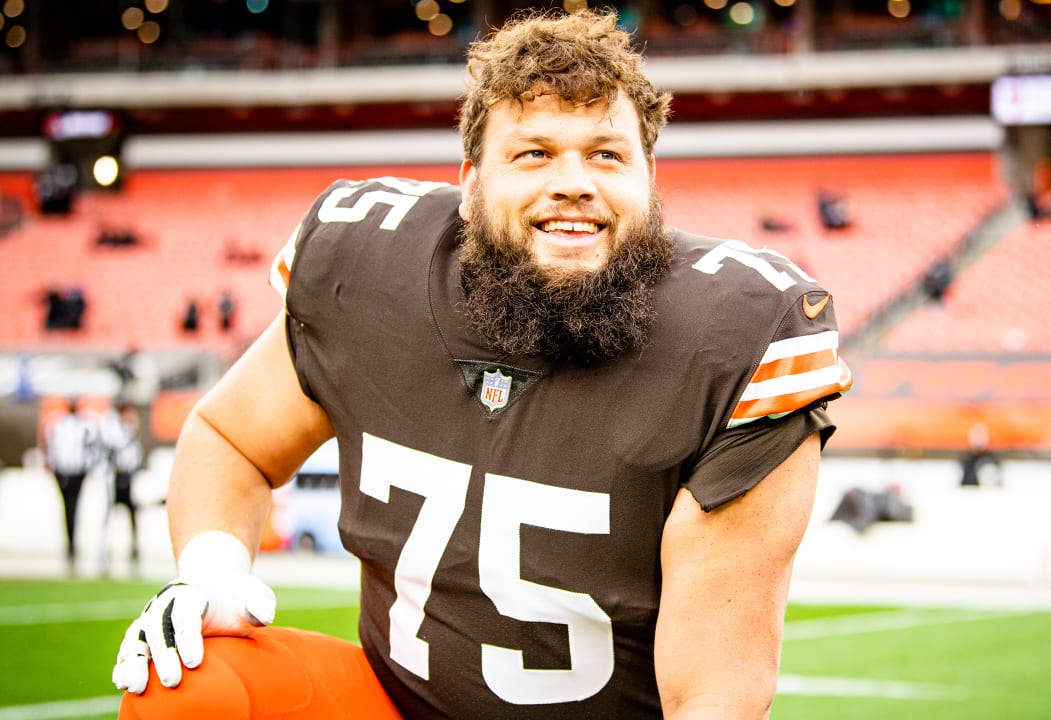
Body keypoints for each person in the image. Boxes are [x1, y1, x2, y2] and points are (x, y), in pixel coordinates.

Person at [111, 10, 852, 720]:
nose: (573, 181)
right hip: (390, 706)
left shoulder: (738, 338)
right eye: (534, 152)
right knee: (187, 685)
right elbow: (233, 440)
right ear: (469, 184)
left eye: (606, 153)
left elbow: (715, 700)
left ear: (650, 182)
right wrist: (210, 570)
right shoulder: (372, 267)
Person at [43, 398, 102, 567]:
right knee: (68, 507)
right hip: (63, 470)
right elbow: (49, 446)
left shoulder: (85, 425)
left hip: (77, 471)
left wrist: (88, 468)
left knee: (73, 507)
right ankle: (70, 542)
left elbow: (92, 448)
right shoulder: (58, 424)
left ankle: (72, 542)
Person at [100, 402, 145, 563]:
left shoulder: (130, 432)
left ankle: (134, 547)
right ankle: (105, 549)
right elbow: (112, 453)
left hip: (128, 478)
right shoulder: (113, 431)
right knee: (109, 515)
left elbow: (135, 457)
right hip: (115, 479)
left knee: (132, 514)